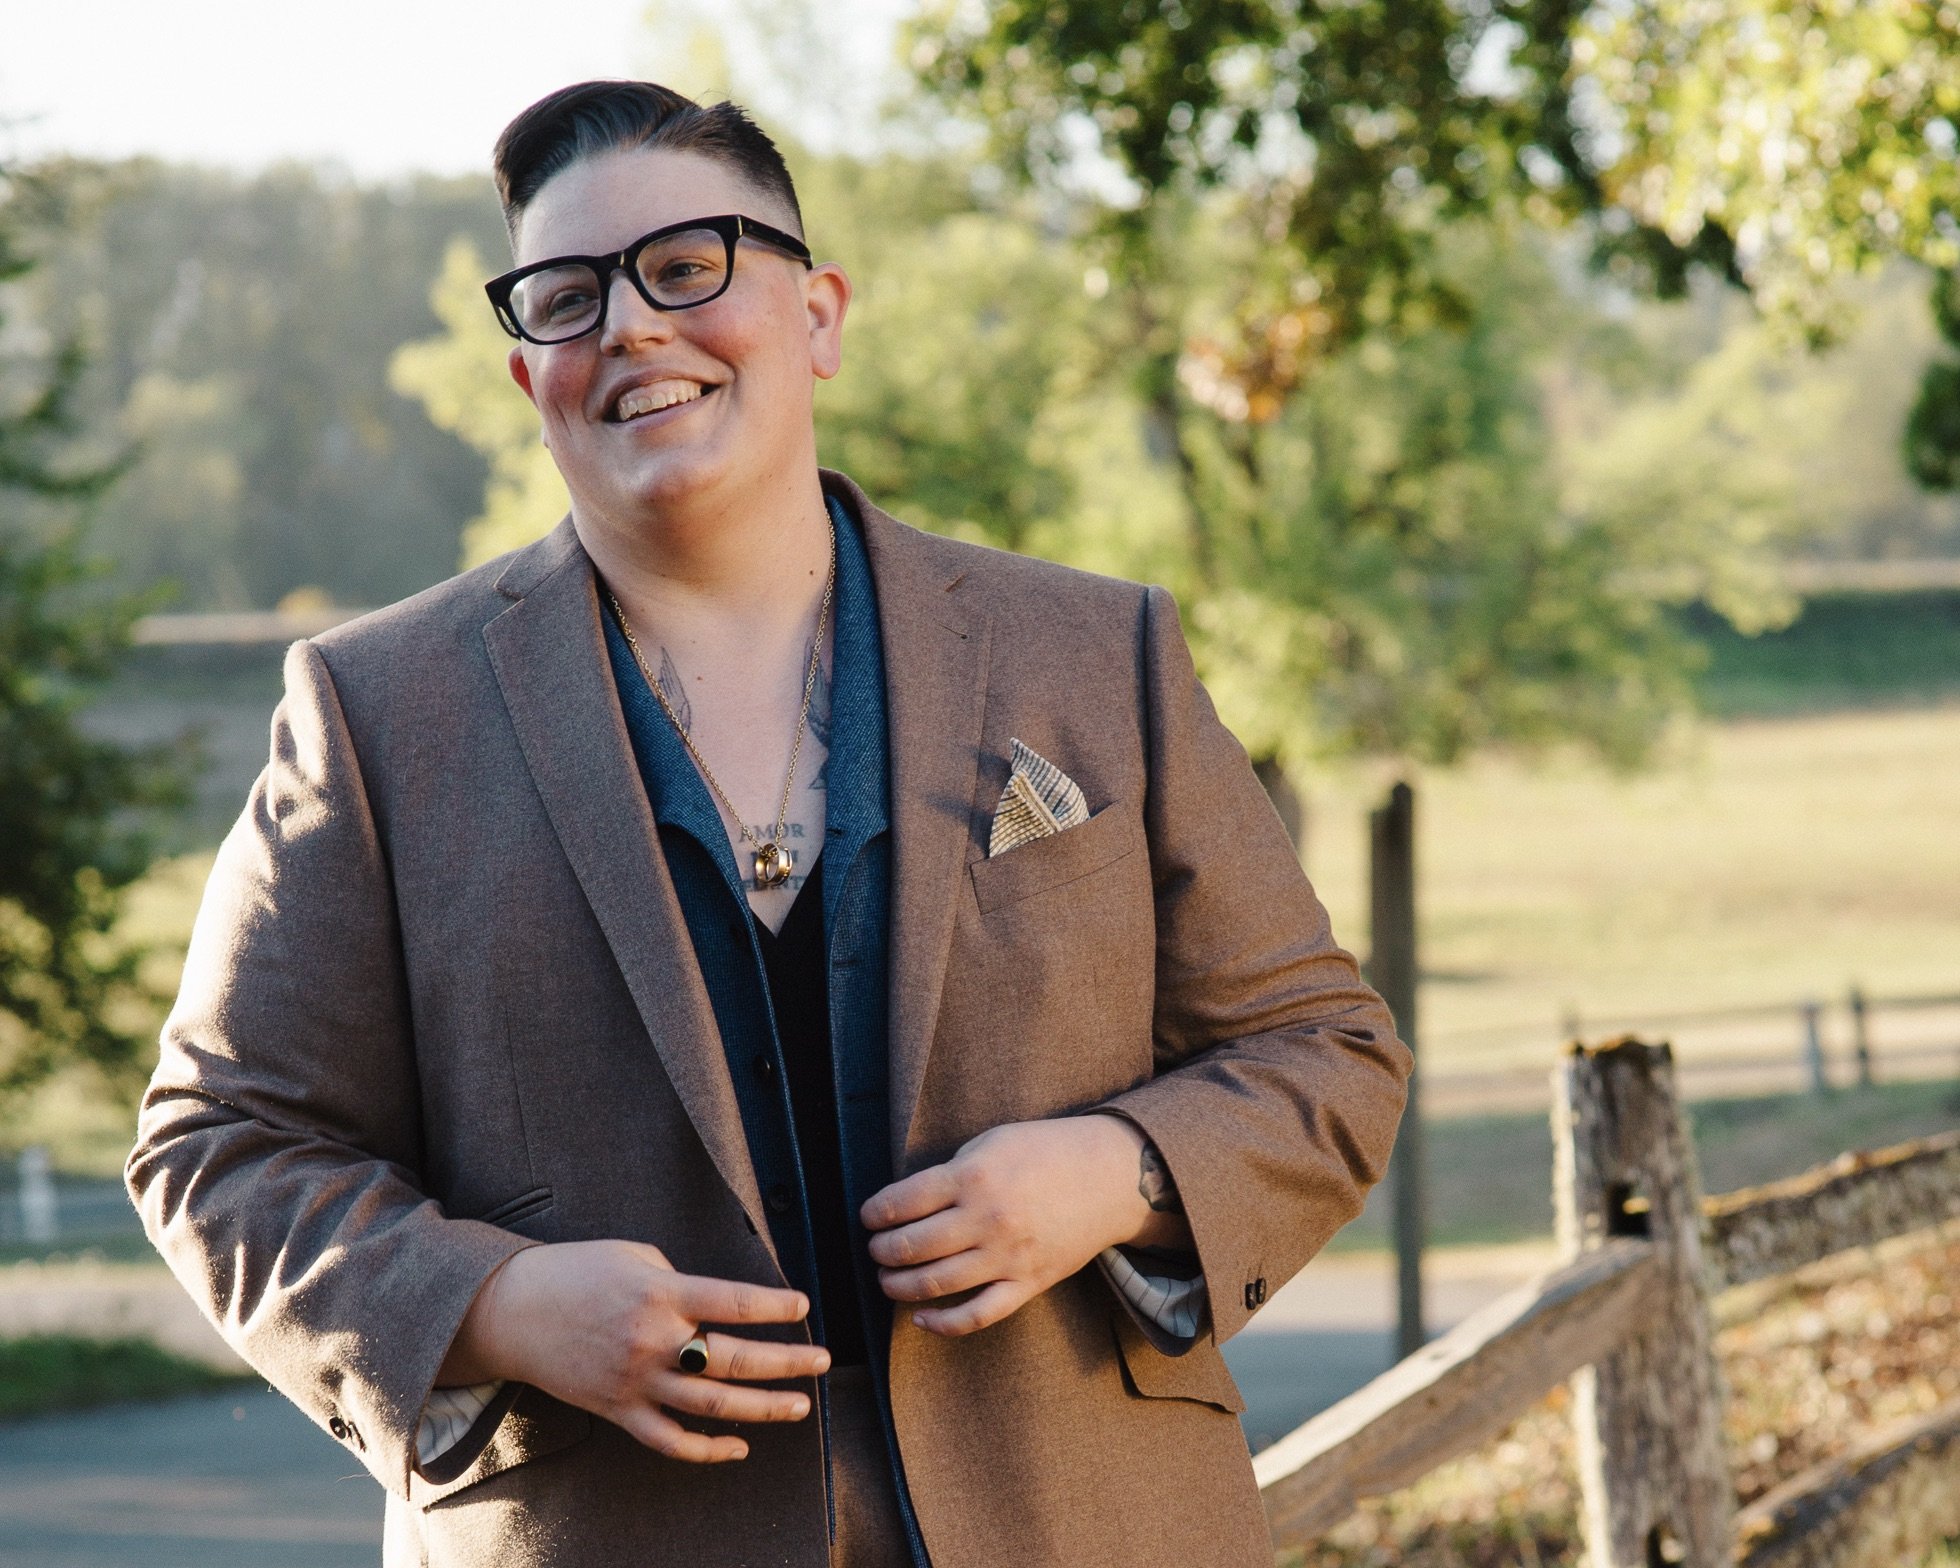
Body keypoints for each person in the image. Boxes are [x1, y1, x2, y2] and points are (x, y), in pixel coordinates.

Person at [126, 80, 1411, 1567]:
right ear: (527, 371)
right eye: (566, 297)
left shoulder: (1094, 653)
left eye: (686, 267)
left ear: (818, 316)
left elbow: (1331, 1056)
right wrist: (498, 1307)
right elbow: (218, 1144)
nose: (630, 326)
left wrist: (1114, 1173)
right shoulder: (371, 712)